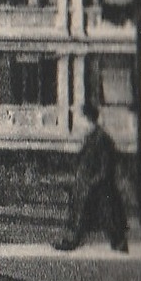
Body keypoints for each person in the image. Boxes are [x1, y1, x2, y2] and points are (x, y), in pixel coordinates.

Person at [54, 101, 129, 253]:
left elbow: (105, 165)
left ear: (89, 119)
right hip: (87, 185)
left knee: (105, 217)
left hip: (99, 187)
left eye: (81, 119)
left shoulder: (102, 139)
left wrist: (94, 182)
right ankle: (73, 240)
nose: (80, 124)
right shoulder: (91, 137)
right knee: (83, 214)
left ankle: (119, 243)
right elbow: (83, 161)